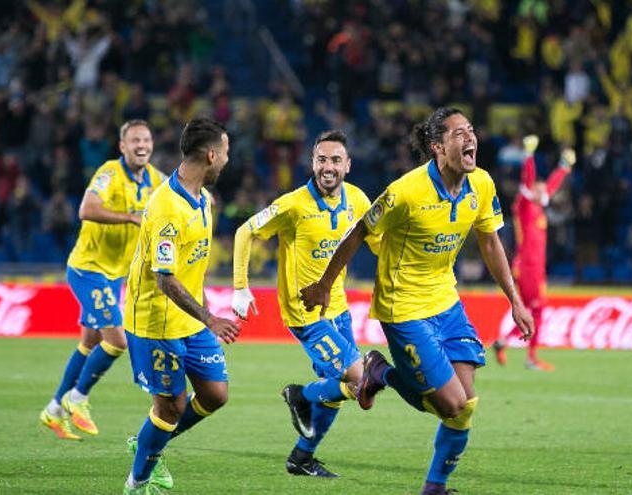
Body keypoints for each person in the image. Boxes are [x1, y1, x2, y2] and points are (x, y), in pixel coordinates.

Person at [300, 107, 534, 495]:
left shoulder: (483, 185)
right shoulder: (405, 192)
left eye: (471, 131)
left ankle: (434, 488)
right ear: (438, 147)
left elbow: (490, 241)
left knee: (466, 405)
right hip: (402, 306)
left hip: (446, 300)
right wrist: (325, 284)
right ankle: (383, 373)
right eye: (459, 134)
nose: (470, 138)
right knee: (450, 404)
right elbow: (359, 233)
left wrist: (515, 300)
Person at [231, 130, 379, 478]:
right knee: (359, 379)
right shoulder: (293, 204)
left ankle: (302, 457)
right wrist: (240, 286)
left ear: (348, 165)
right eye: (322, 159)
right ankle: (299, 394)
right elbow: (244, 232)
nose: (328, 167)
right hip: (305, 313)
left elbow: (378, 242)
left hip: (339, 308)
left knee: (339, 390)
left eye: (336, 160)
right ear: (312, 163)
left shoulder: (357, 200)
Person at [122, 118, 240, 494]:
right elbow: (166, 279)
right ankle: (137, 482)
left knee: (214, 395)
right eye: (224, 153)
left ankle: (148, 444)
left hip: (190, 320)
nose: (226, 160)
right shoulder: (166, 208)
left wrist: (203, 315)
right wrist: (210, 317)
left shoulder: (204, 199)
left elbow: (192, 267)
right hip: (155, 322)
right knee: (170, 407)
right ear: (210, 155)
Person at [40, 120, 165, 440]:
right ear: (122, 146)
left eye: (146, 139)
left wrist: (204, 198)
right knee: (117, 340)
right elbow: (87, 208)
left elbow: (181, 192)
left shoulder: (155, 180)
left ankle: (54, 410)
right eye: (134, 139)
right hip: (88, 269)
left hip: (113, 275)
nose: (141, 145)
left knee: (90, 341)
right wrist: (131, 217)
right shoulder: (109, 173)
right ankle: (77, 399)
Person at [491, 135, 575, 370]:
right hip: (528, 267)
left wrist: (564, 168)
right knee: (537, 310)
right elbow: (527, 182)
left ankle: (505, 342)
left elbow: (550, 187)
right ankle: (530, 357)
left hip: (534, 267)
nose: (542, 189)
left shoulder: (537, 206)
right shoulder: (526, 206)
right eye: (537, 187)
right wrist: (529, 155)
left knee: (532, 312)